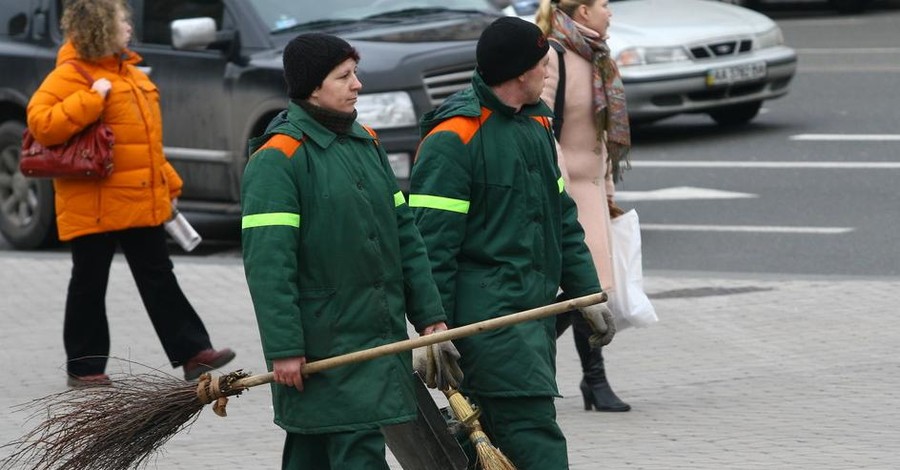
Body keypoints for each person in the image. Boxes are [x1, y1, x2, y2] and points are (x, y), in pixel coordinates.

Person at [240, 33, 457, 470]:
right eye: (344, 76)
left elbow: (405, 237)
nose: (357, 84)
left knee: (319, 451)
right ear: (312, 87)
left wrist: (431, 319)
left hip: (376, 336)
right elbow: (269, 266)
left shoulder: (367, 144)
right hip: (324, 346)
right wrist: (285, 347)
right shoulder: (278, 158)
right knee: (341, 447)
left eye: (355, 73)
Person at [408, 16, 616, 470]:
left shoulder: (535, 126)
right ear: (522, 73)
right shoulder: (455, 137)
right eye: (543, 64)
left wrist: (587, 292)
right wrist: (431, 325)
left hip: (527, 319)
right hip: (490, 325)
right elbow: (429, 246)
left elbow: (562, 219)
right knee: (534, 435)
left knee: (486, 437)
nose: (548, 72)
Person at [25, 0, 235, 388]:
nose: (128, 28)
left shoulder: (129, 73)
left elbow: (144, 143)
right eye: (122, 22)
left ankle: (193, 353)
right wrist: (92, 99)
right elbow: (41, 125)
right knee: (89, 282)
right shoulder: (71, 74)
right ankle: (84, 368)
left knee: (158, 275)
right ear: (100, 28)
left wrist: (167, 183)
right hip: (94, 203)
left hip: (137, 197)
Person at [536, 0, 633, 412]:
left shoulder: (598, 56)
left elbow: (602, 133)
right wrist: (559, 190)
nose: (610, 12)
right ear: (582, 12)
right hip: (566, 191)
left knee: (587, 292)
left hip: (591, 189)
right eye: (604, 5)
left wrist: (609, 191)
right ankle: (519, 358)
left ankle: (593, 381)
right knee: (583, 290)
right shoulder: (554, 55)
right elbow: (539, 124)